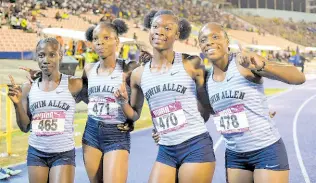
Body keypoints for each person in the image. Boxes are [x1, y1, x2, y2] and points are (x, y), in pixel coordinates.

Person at [115, 10, 216, 183]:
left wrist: (183, 126)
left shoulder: (191, 64)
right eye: (155, 26)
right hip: (166, 150)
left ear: (177, 34)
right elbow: (135, 114)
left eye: (167, 28)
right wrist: (123, 102)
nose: (159, 31)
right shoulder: (138, 74)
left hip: (195, 145)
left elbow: (207, 105)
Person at [199, 22, 305, 183]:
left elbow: (298, 77)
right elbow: (209, 112)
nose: (209, 42)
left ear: (227, 41)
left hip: (266, 149)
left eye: (215, 37)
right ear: (200, 46)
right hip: (235, 156)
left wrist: (263, 65)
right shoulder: (206, 79)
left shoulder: (244, 64)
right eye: (203, 39)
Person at [79, 19, 150, 183]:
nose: (99, 43)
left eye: (106, 38)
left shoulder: (129, 68)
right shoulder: (89, 69)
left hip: (116, 134)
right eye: (96, 38)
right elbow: (85, 95)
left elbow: (135, 114)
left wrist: (123, 106)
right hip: (91, 132)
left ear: (117, 41)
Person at [8, 38, 83, 183]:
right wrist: (17, 104)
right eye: (41, 55)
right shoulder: (28, 88)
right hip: (36, 153)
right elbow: (24, 127)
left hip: (63, 153)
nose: (46, 60)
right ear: (36, 57)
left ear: (61, 55)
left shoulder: (74, 84)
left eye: (52, 55)